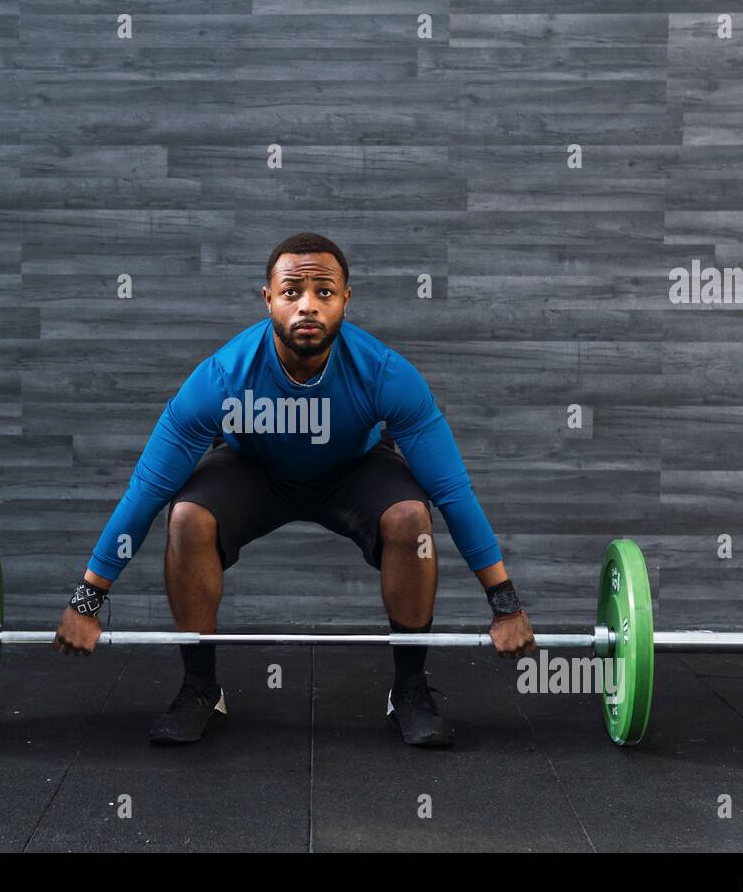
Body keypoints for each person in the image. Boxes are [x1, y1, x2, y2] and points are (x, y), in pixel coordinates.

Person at [55, 231, 537, 746]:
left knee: (412, 517)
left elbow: (453, 492)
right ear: (268, 299)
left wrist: (505, 605)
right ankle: (200, 689)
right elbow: (147, 489)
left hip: (353, 470)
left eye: (324, 292)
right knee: (185, 515)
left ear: (345, 299)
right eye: (291, 292)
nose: (307, 305)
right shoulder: (221, 378)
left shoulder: (386, 375)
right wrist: (87, 602)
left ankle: (410, 689)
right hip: (253, 468)